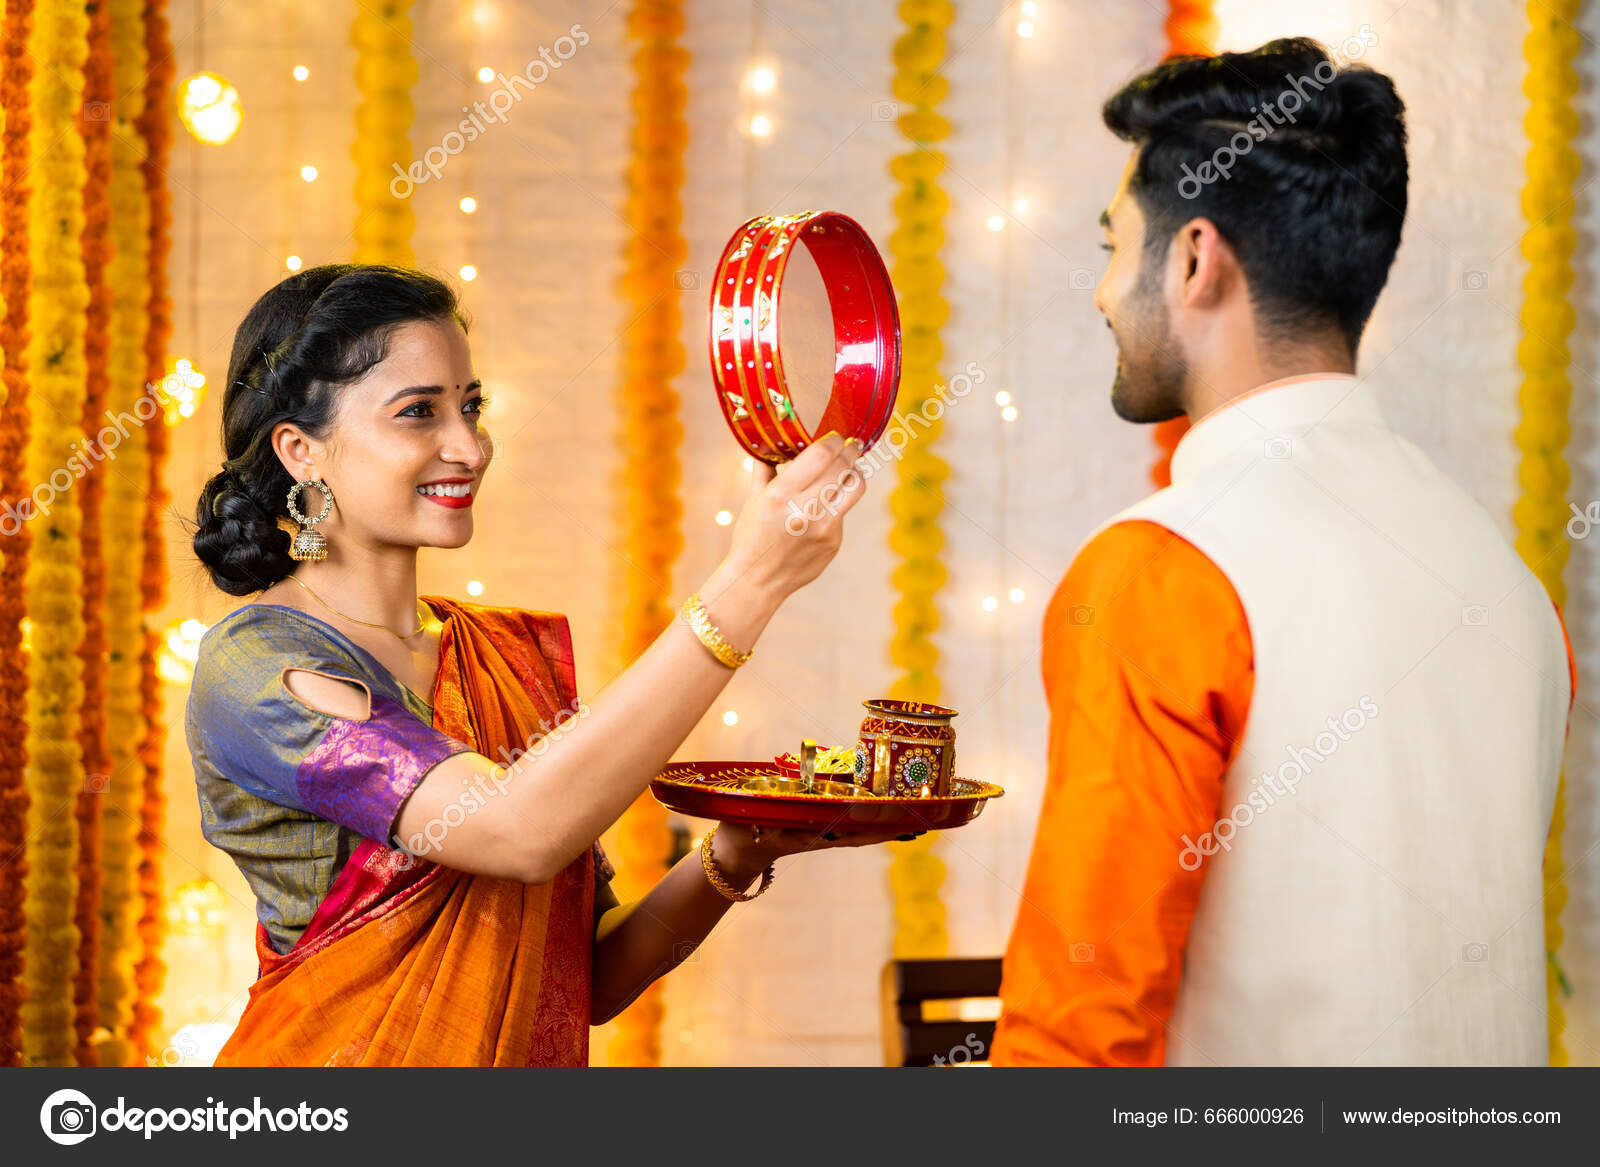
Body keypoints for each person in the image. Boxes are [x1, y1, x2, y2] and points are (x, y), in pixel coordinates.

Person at [992, 39, 1575, 1066]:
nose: (1098, 295)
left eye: (1109, 248)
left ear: (1191, 260)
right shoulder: (1508, 583)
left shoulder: (1159, 571)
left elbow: (1076, 1036)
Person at [186, 263, 909, 1066]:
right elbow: (516, 829)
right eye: (419, 412)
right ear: (301, 449)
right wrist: (750, 584)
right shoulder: (253, 665)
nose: (468, 446)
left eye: (470, 406)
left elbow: (588, 977)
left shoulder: (500, 655)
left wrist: (733, 856)